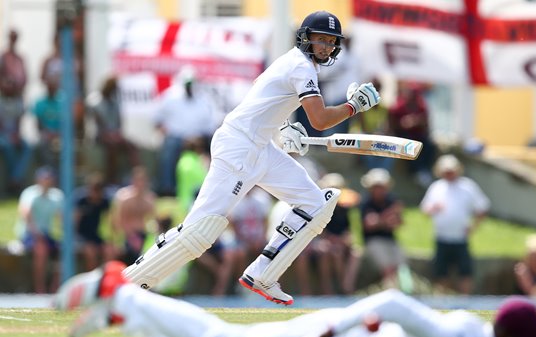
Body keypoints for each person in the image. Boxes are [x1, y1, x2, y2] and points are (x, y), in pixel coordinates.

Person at [122, 10, 381, 305]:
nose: (324, 46)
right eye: (319, 39)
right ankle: (127, 284)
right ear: (305, 38)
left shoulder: (295, 64)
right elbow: (320, 120)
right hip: (240, 147)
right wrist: (353, 106)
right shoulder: (301, 66)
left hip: (260, 146)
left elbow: (264, 100)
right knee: (201, 231)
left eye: (330, 42)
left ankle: (263, 273)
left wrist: (283, 128)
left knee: (315, 204)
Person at [55, 262, 536, 337]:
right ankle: (119, 290)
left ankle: (125, 311)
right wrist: (334, 333)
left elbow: (396, 323)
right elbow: (394, 302)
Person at [420, 155, 490, 295]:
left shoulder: (467, 186)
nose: (449, 174)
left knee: (465, 272)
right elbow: (424, 210)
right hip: (441, 237)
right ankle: (442, 302)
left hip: (460, 238)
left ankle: (465, 301)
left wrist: (473, 227)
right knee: (441, 273)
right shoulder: (436, 187)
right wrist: (433, 209)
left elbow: (483, 207)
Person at [154, 65, 217, 196]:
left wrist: (200, 138)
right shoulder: (170, 97)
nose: (189, 87)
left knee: (214, 149)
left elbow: (211, 124)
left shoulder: (203, 100)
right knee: (169, 148)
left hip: (198, 138)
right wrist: (165, 131)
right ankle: (167, 188)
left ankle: (210, 187)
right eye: (187, 84)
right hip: (176, 137)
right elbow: (156, 119)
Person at [16, 166, 64, 293]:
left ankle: (55, 288)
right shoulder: (30, 193)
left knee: (65, 251)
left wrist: (65, 235)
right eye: (44, 178)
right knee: (41, 250)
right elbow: (26, 214)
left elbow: (61, 218)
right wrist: (36, 234)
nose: (47, 181)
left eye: (49, 178)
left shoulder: (57, 195)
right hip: (29, 233)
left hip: (46, 234)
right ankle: (40, 289)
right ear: (38, 179)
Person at [88, 75, 140, 185]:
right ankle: (111, 180)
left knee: (131, 146)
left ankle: (137, 176)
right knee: (112, 148)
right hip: (101, 136)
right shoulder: (95, 101)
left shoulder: (116, 102)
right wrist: (109, 135)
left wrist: (117, 134)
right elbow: (99, 122)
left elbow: (119, 122)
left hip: (115, 134)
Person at [359, 168, 405, 288]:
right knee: (387, 267)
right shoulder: (366, 202)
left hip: (390, 241)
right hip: (373, 241)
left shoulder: (391, 200)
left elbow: (398, 223)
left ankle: (398, 292)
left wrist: (383, 220)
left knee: (402, 267)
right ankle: (391, 291)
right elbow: (369, 225)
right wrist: (387, 217)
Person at [0, 28, 32, 193]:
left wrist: (16, 134)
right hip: (2, 134)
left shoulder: (20, 58)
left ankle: (16, 177)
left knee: (26, 146)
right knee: (6, 144)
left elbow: (26, 78)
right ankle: (15, 180)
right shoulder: (4, 57)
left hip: (12, 129)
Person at [389, 81, 436, 187]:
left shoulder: (421, 106)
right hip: (403, 135)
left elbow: (426, 124)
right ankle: (417, 171)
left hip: (418, 135)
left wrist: (417, 122)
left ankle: (424, 170)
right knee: (410, 147)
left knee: (429, 146)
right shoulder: (398, 106)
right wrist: (403, 124)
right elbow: (392, 124)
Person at [110, 167, 156, 266]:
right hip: (126, 236)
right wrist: (129, 238)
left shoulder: (149, 199)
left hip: (143, 236)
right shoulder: (124, 197)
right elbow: (117, 220)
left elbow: (154, 220)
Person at [74, 173, 115, 272]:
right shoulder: (81, 200)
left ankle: (104, 277)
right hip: (82, 236)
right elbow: (75, 221)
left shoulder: (105, 202)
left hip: (97, 236)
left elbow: (111, 222)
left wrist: (111, 239)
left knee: (110, 251)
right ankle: (93, 279)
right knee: (90, 252)